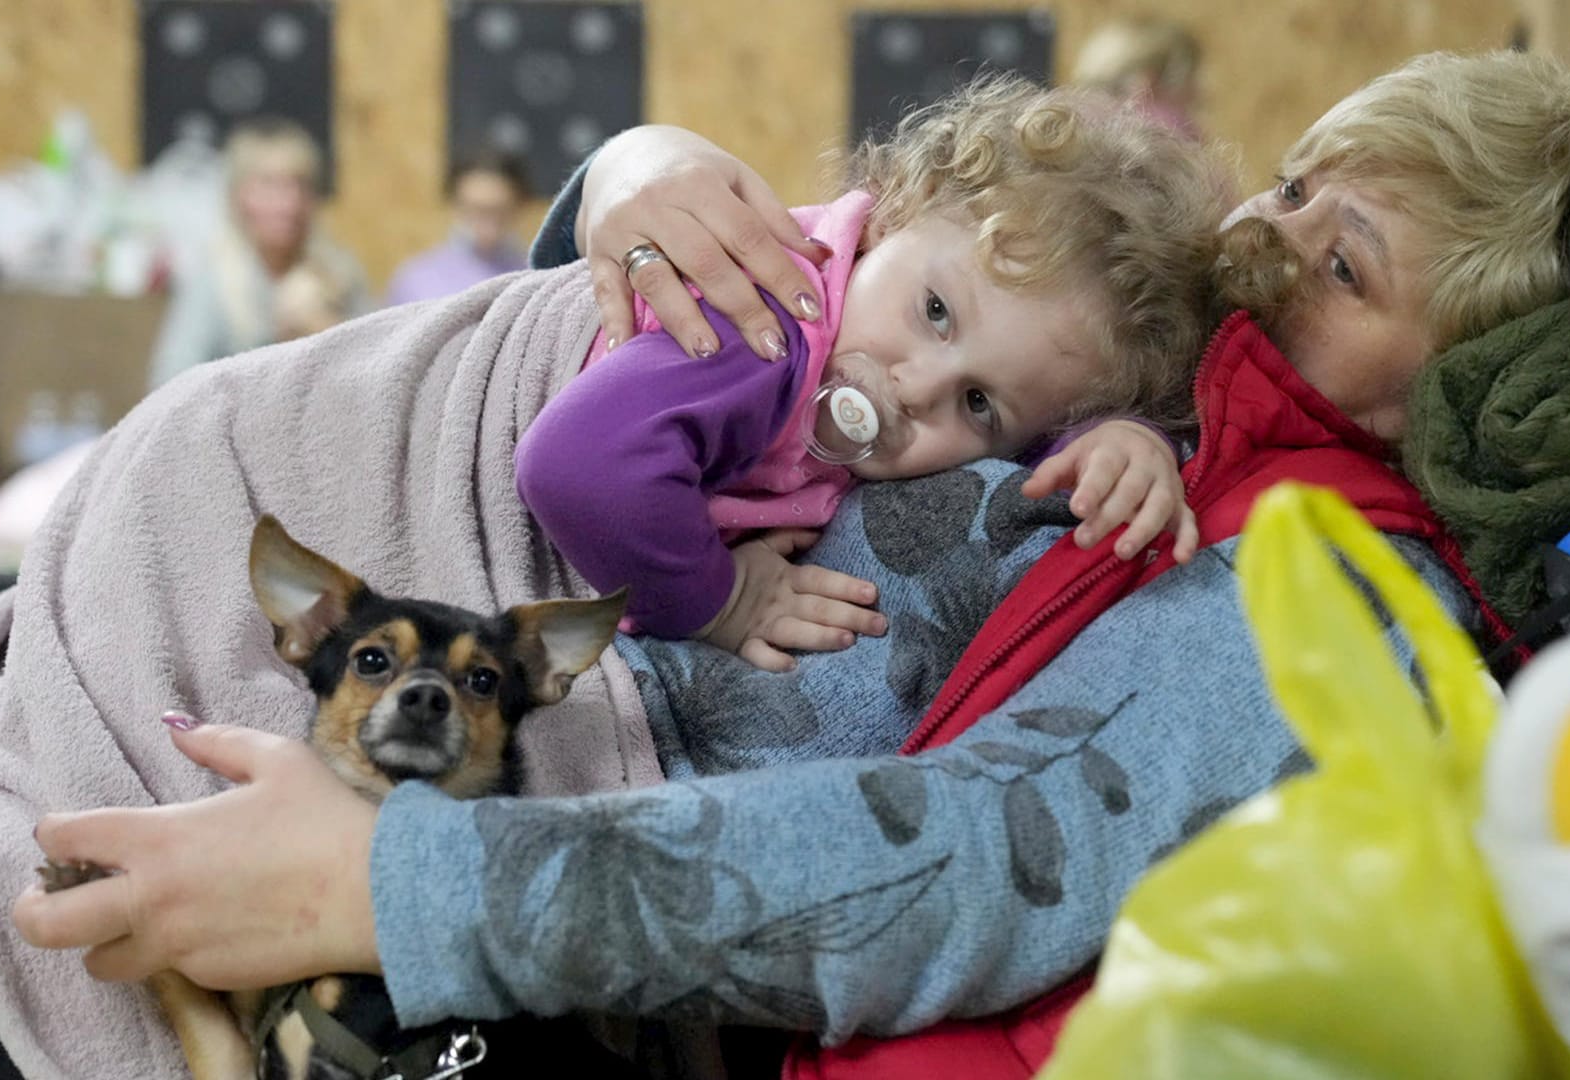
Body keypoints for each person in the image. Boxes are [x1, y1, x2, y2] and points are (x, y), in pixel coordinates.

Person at [0, 49, 1570, 1079]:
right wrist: (634, 174)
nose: (1254, 246)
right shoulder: (1159, 400)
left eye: (1340, 261)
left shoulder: (1310, 576)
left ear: (1466, 379)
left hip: (416, 821)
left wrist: (393, 884)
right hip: (310, 613)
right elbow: (673, 369)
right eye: (1283, 183)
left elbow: (965, 859)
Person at [518, 78, 1224, 670]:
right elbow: (574, 467)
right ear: (890, 214)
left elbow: (1042, 428)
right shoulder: (768, 330)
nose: (917, 387)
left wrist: (1123, 440)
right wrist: (722, 600)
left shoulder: (893, 316)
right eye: (937, 312)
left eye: (977, 403)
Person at [148, 117, 370, 390]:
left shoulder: (340, 273)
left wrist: (325, 329)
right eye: (269, 186)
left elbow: (377, 373)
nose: (288, 204)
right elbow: (169, 385)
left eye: (299, 185)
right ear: (238, 196)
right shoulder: (213, 282)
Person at [384, 148, 533, 306]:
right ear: (455, 205)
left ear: (519, 205)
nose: (488, 226)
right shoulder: (415, 281)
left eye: (499, 211)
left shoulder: (532, 277)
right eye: (477, 210)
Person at [1070, 17, 1206, 140]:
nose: (1200, 91)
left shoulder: (1066, 133)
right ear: (1147, 83)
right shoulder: (1171, 134)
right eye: (1190, 77)